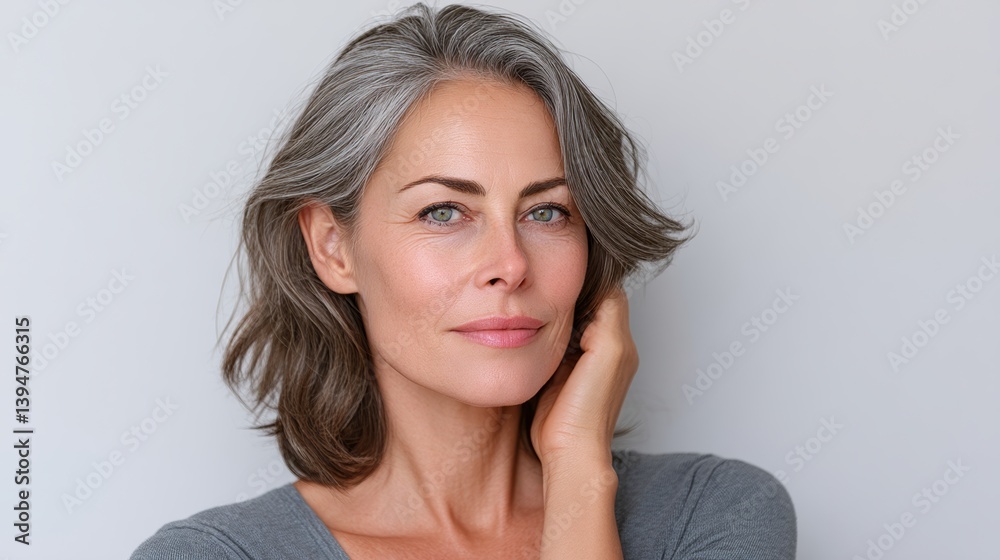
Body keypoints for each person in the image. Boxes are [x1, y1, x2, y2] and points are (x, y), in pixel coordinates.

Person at [130, 3, 796, 559]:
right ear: (334, 249)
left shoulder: (713, 515)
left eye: (547, 211)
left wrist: (578, 475)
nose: (510, 262)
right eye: (443, 211)